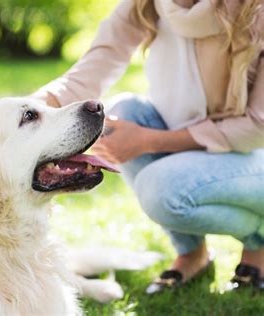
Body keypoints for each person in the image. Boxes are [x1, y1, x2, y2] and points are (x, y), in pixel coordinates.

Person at [32, 0, 264, 293]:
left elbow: (258, 126)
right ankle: (193, 253)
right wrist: (30, 106)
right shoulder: (149, 3)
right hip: (193, 144)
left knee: (162, 190)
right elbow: (97, 64)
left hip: (253, 155)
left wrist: (149, 140)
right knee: (122, 115)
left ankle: (259, 242)